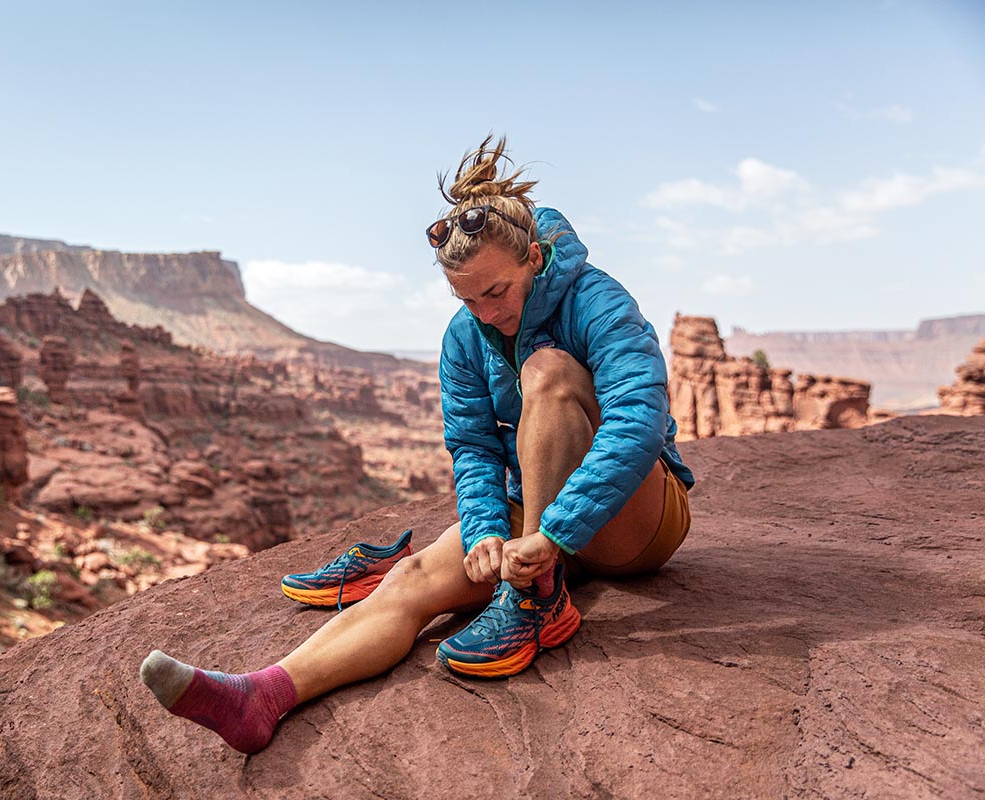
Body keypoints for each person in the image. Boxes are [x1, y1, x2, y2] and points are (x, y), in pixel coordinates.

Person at [140, 135, 695, 754]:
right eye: (467, 298)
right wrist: (487, 528)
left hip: (631, 524)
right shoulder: (465, 334)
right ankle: (262, 695)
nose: (485, 313)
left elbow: (638, 419)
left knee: (548, 373)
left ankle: (535, 597)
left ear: (534, 256)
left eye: (496, 292)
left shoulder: (597, 299)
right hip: (534, 514)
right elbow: (473, 445)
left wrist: (552, 535)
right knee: (409, 577)